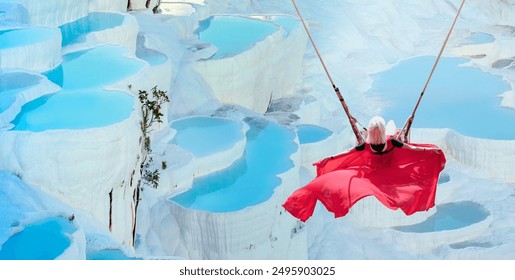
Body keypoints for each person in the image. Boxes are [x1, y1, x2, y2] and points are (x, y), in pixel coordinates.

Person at [282, 115, 446, 222]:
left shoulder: (365, 145)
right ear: (382, 133)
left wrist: (328, 159)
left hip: (370, 175)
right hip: (389, 172)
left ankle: (297, 203)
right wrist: (431, 150)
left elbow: (345, 154)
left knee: (317, 185)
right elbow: (413, 149)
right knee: (401, 139)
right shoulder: (392, 142)